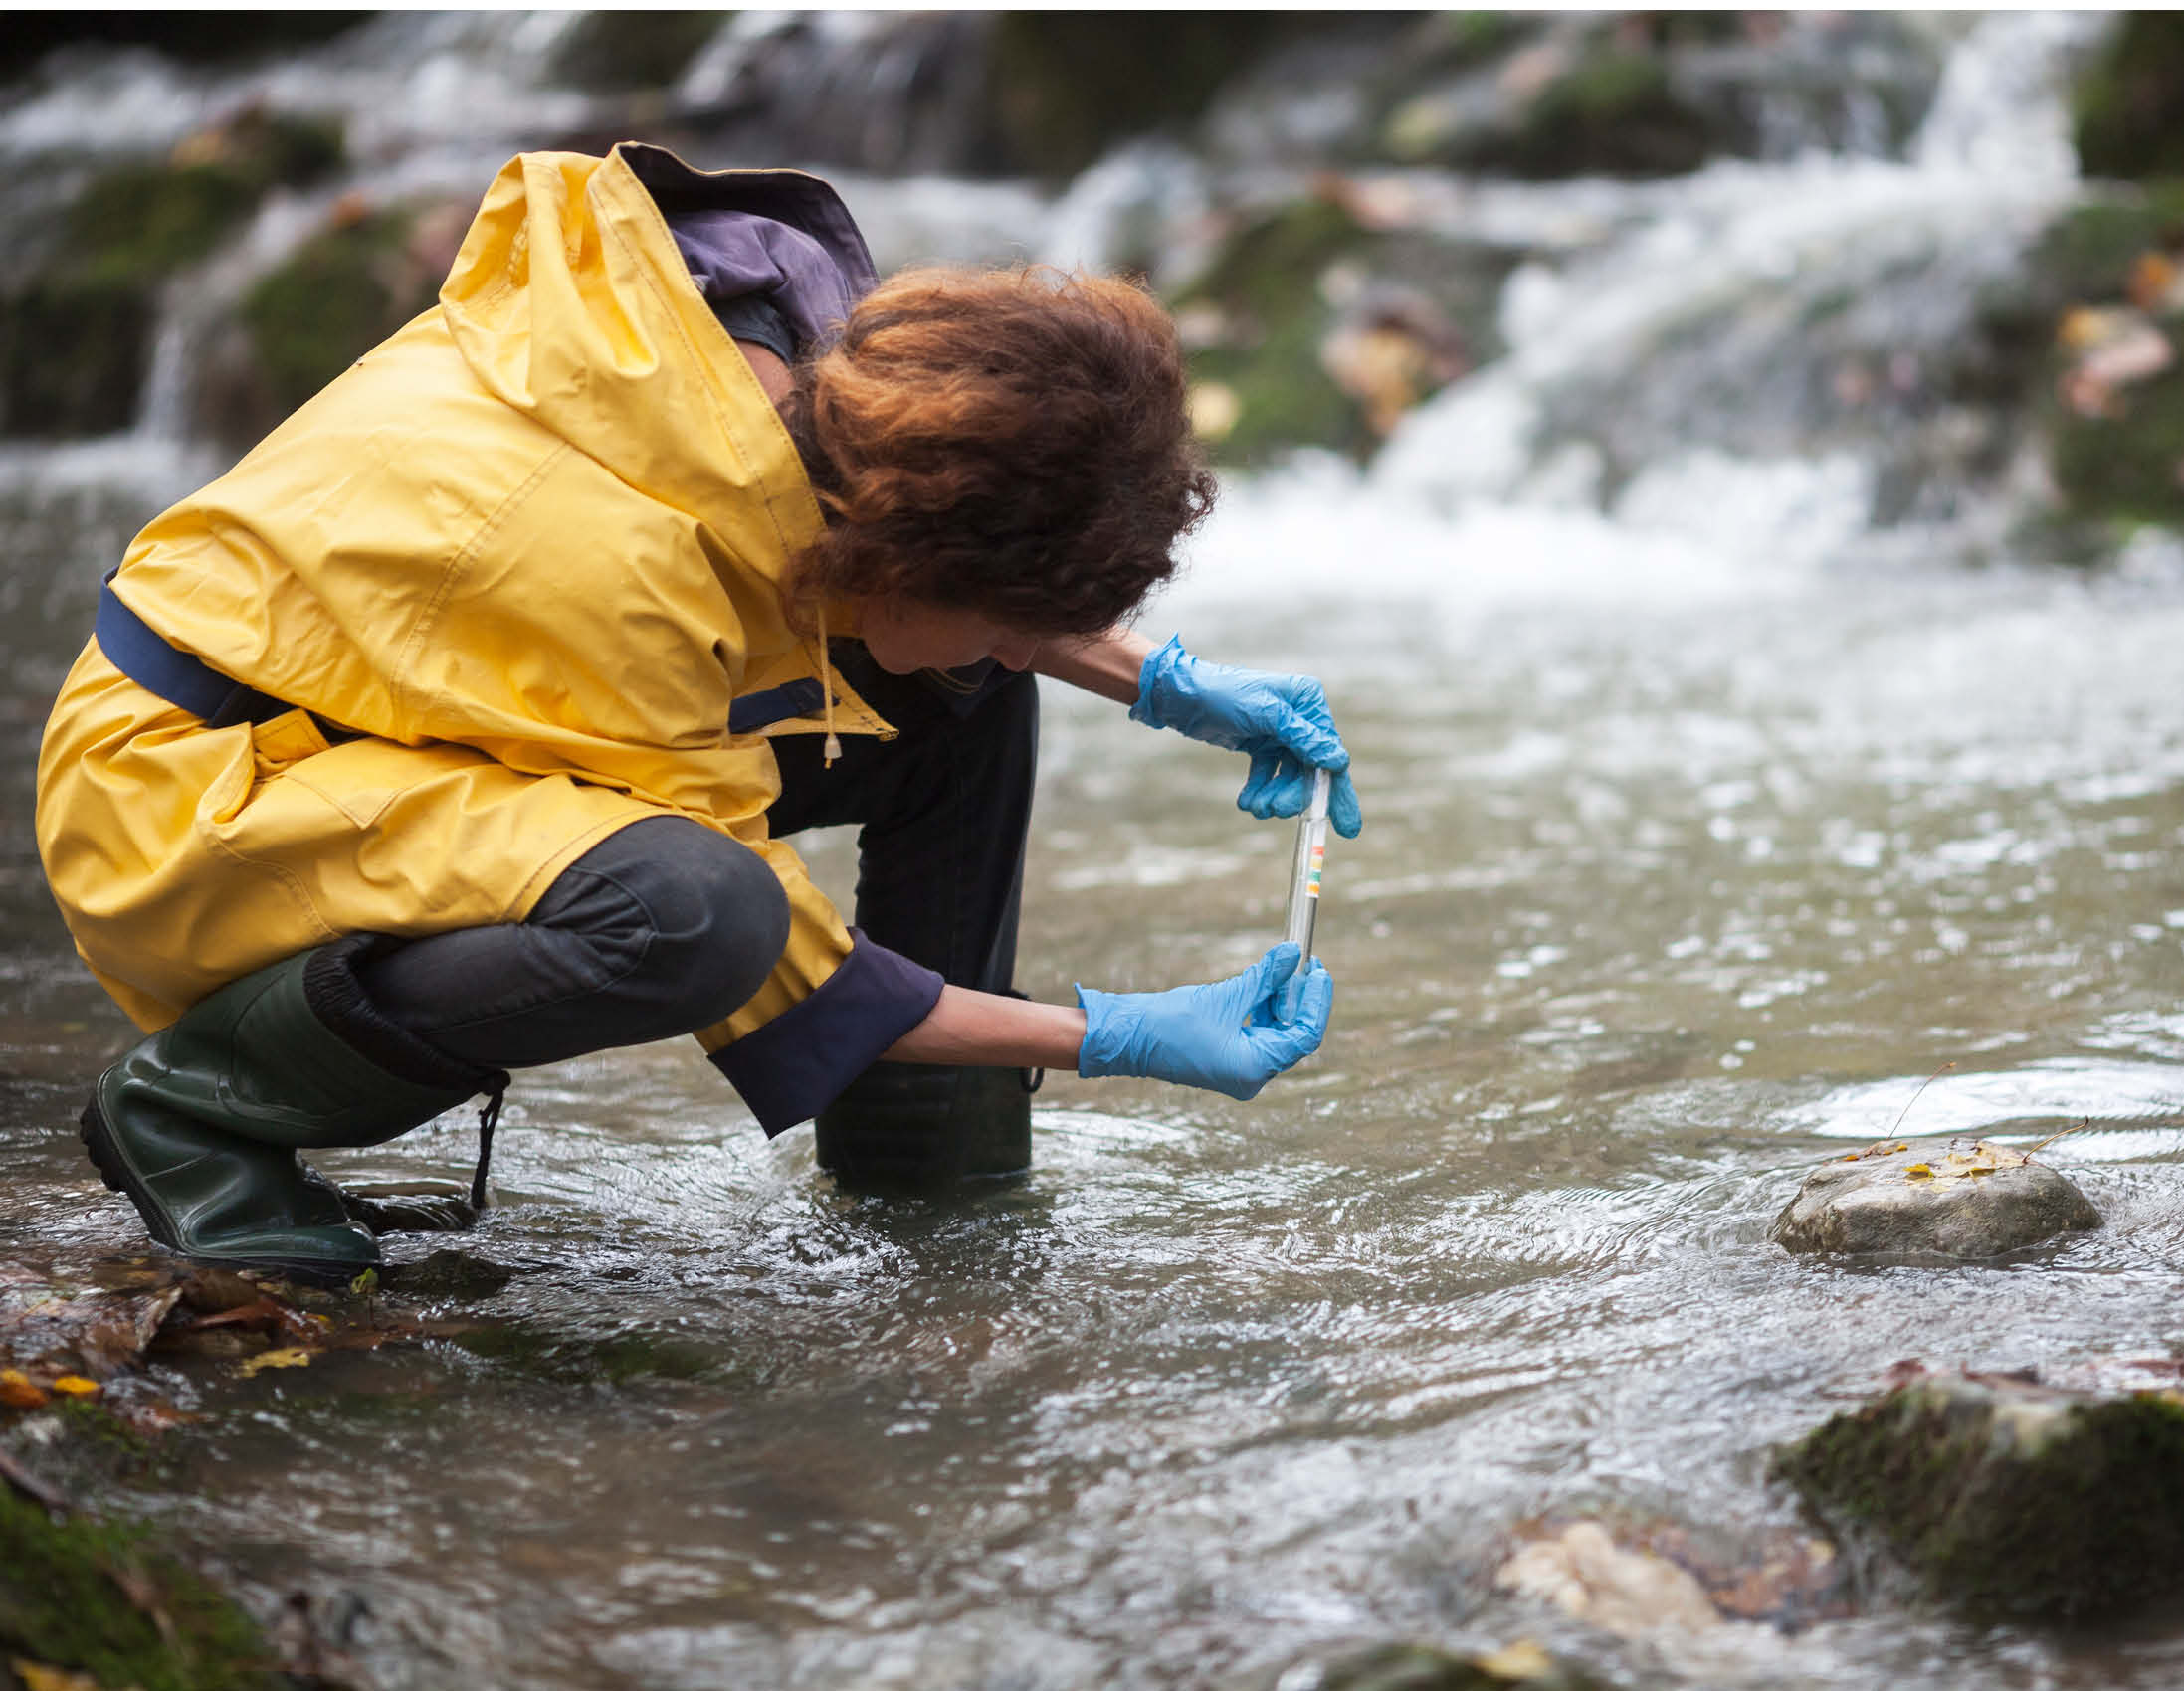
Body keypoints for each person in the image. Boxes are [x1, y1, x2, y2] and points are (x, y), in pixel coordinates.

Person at [35, 143, 1361, 1284]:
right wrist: (1117, 1035)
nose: (1031, 648)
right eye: (1012, 613)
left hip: (388, 699)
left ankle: (927, 1167)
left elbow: (940, 589)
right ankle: (199, 1113)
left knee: (965, 693)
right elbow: (787, 971)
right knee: (693, 912)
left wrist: (1166, 684)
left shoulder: (814, 370)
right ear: (903, 557)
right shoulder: (626, 573)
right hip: (198, 784)